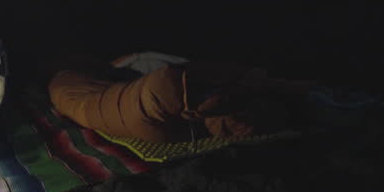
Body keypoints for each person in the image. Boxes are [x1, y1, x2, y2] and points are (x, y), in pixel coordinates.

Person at [47, 54, 315, 143]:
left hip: (142, 114)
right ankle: (278, 86)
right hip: (149, 102)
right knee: (168, 83)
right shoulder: (68, 82)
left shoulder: (67, 88)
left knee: (168, 87)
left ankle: (276, 88)